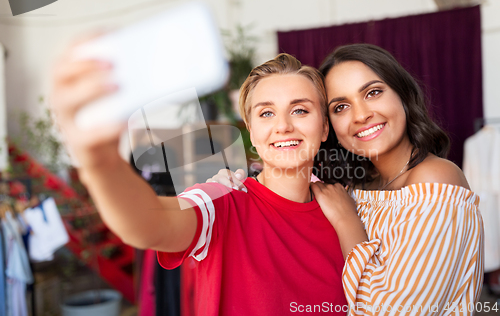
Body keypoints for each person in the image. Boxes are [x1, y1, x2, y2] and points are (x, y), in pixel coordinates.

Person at [50, 49, 349, 315]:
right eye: (267, 113)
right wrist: (99, 162)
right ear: (252, 132)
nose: (283, 126)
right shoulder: (222, 201)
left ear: (324, 127)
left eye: (300, 110)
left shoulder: (347, 209)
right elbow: (149, 223)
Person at [210, 44, 484, 315]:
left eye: (373, 92)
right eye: (340, 107)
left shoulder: (435, 179)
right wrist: (229, 185)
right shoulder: (353, 187)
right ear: (327, 126)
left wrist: (347, 221)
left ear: (403, 93)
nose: (361, 115)